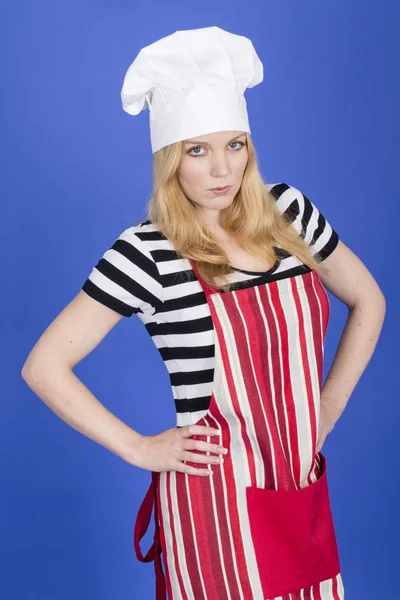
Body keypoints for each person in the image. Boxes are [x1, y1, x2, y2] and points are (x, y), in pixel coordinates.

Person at [21, 26, 386, 600]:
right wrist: (139, 446)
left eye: (234, 145)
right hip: (212, 507)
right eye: (198, 150)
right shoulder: (148, 251)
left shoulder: (290, 212)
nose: (221, 170)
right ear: (171, 160)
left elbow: (370, 299)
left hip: (297, 487)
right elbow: (43, 366)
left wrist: (330, 404)